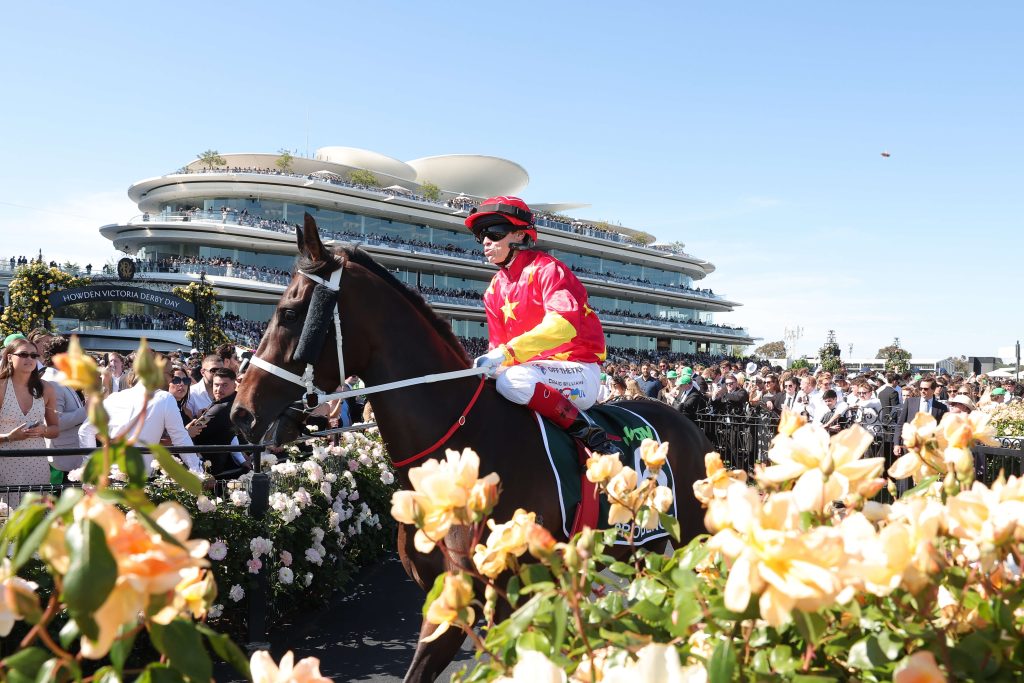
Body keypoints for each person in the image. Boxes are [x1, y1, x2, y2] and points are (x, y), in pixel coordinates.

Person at [465, 196, 619, 455]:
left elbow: (563, 325)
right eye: (481, 236)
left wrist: (507, 354)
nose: (487, 241)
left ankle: (589, 431)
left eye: (495, 232)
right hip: (533, 371)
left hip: (578, 370)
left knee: (512, 381)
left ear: (519, 235)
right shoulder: (493, 289)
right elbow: (498, 348)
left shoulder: (548, 269)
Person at [79, 361, 203, 476]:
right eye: (171, 374)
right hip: (139, 480)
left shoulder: (114, 398)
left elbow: (85, 430)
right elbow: (180, 439)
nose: (173, 379)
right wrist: (199, 473)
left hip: (112, 476)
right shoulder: (165, 398)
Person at [0, 337, 59, 486]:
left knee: (37, 508)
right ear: (9, 357)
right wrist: (8, 437)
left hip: (37, 464)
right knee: (6, 509)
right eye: (23, 354)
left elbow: (55, 429)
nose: (29, 359)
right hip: (4, 464)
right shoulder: (1, 387)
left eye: (34, 355)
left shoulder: (47, 388)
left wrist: (43, 430)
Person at [42, 335, 88, 483]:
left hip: (67, 455)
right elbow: (56, 422)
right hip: (63, 459)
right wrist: (87, 410)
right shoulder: (53, 381)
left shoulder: (59, 378)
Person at [190, 368, 247, 478]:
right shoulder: (234, 403)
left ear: (234, 385)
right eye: (216, 385)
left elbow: (195, 431)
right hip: (219, 464)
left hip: (207, 469)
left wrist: (191, 418)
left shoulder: (220, 408)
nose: (219, 389)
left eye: (224, 385)